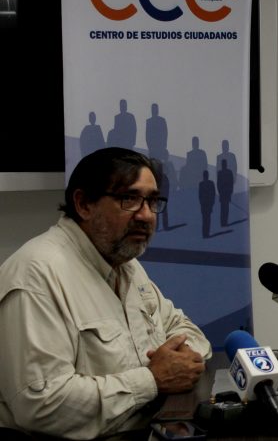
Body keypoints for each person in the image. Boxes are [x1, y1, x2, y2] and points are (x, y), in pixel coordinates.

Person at [0, 147, 211, 439]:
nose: (146, 215)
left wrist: (181, 361)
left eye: (152, 201)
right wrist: (152, 379)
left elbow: (182, 327)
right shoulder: (36, 275)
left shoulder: (126, 264)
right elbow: (41, 404)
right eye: (129, 199)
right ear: (84, 204)